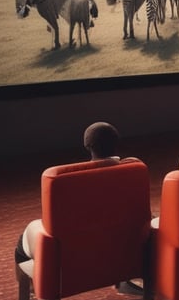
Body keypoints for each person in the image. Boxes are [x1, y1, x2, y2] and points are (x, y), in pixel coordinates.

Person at [14, 122, 124, 286]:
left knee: (22, 244)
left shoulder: (65, 178)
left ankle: (33, 289)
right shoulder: (135, 169)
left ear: (88, 146)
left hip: (73, 253)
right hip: (115, 247)